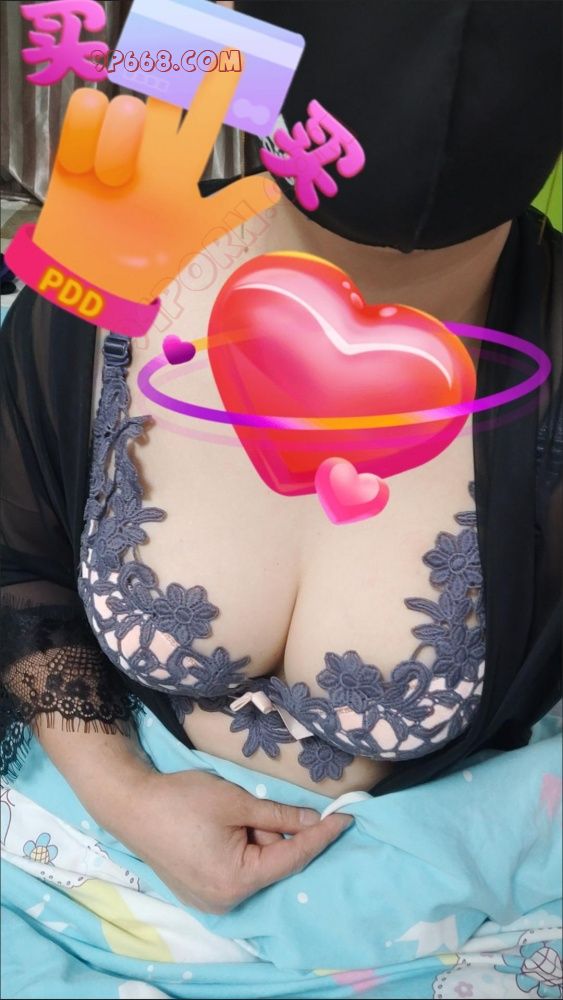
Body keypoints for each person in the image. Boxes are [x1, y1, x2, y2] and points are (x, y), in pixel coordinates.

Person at [1, 0, 561, 916]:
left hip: (444, 910)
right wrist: (123, 793)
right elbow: (17, 559)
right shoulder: (108, 270)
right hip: (81, 852)